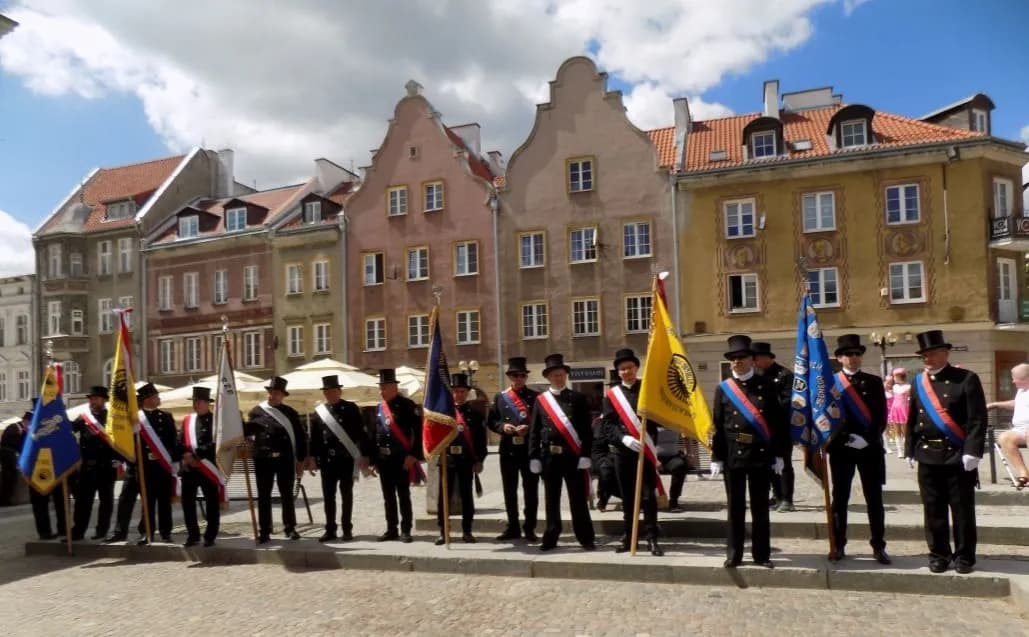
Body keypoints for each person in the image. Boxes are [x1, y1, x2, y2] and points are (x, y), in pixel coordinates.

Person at [905, 330, 987, 574]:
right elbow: (912, 418)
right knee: (933, 508)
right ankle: (939, 554)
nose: (928, 359)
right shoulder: (918, 382)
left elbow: (977, 419)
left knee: (961, 509)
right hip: (927, 453)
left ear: (945, 353)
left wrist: (973, 451)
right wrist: (910, 448)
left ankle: (964, 556)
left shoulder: (966, 378)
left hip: (957, 455)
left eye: (932, 354)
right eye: (924, 356)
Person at [710, 335, 788, 568]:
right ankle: (734, 554)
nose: (737, 362)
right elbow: (718, 425)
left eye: (742, 357)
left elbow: (778, 424)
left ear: (752, 359)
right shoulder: (723, 389)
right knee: (735, 508)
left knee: (760, 507)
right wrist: (717, 457)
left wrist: (780, 455)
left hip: (760, 454)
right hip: (734, 455)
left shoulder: (767, 386)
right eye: (733, 359)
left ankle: (761, 554)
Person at [828, 334, 890, 564]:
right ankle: (839, 543)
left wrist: (868, 438)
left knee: (874, 499)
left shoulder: (873, 381)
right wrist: (845, 437)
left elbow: (882, 416)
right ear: (839, 358)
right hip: (841, 449)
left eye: (857, 354)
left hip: (869, 448)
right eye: (848, 354)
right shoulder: (831, 383)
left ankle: (878, 546)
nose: (853, 358)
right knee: (840, 498)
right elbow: (827, 417)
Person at [528, 353, 595, 552]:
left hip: (572, 456)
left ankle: (585, 537)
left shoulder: (578, 398)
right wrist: (533, 456)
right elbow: (534, 430)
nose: (558, 378)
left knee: (577, 499)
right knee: (551, 499)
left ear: (565, 375)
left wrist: (585, 454)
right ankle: (551, 536)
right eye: (554, 375)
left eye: (561, 374)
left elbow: (586, 430)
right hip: (549, 457)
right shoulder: (541, 400)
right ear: (548, 377)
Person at [602, 348, 663, 556]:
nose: (626, 372)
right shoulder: (612, 396)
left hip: (644, 452)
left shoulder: (647, 391)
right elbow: (608, 426)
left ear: (636, 368)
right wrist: (624, 438)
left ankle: (652, 537)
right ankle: (630, 535)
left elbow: (657, 421)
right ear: (618, 372)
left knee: (648, 497)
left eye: (629, 367)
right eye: (622, 369)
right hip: (623, 452)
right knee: (628, 497)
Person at [106, 383, 179, 545]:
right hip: (141, 466)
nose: (158, 399)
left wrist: (175, 462)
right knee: (148, 502)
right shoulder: (135, 419)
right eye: (155, 397)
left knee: (164, 501)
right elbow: (126, 442)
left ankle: (166, 532)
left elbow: (173, 441)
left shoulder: (166, 416)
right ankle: (146, 532)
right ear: (147, 399)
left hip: (161, 465)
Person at [309, 374, 373, 542]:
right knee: (328, 497)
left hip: (346, 459)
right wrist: (312, 458)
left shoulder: (351, 408)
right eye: (327, 391)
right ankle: (330, 529)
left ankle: (347, 529)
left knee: (346, 495)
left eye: (333, 390)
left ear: (339, 391)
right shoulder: (319, 413)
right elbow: (314, 438)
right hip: (327, 462)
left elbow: (361, 433)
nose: (330, 394)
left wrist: (366, 455)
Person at [246, 376, 308, 544]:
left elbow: (301, 438)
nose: (273, 395)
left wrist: (301, 460)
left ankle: (290, 528)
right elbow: (248, 433)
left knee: (286, 495)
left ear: (283, 395)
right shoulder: (256, 411)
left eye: (277, 393)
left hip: (284, 460)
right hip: (263, 460)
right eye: (271, 392)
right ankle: (265, 530)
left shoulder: (290, 413)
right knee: (264, 496)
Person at [488, 357, 540, 542]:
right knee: (509, 491)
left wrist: (530, 428)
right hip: (508, 450)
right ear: (510, 377)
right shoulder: (500, 397)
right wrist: (503, 428)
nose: (518, 379)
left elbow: (542, 422)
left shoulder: (535, 397)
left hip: (528, 450)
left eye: (522, 376)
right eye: (515, 376)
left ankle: (530, 528)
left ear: (526, 377)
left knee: (531, 491)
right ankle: (513, 527)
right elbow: (492, 421)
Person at [435, 373, 488, 544]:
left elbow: (481, 440)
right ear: (451, 392)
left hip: (466, 460)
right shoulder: (443, 414)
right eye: (456, 391)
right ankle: (444, 531)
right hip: (447, 459)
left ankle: (467, 531)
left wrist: (480, 459)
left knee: (467, 496)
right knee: (444, 496)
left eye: (462, 391)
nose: (459, 394)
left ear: (467, 392)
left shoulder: (475, 413)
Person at [371, 369, 422, 542]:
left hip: (402, 459)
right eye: (380, 388)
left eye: (384, 388)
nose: (381, 391)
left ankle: (406, 530)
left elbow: (419, 432)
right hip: (384, 460)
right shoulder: (379, 408)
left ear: (393, 387)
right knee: (388, 497)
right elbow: (375, 434)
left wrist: (414, 455)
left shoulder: (408, 405)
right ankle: (391, 528)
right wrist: (374, 460)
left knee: (403, 495)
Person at [2, 406, 67, 539]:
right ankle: (45, 532)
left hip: (52, 467)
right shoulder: (16, 430)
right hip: (33, 469)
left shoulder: (49, 428)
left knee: (58, 500)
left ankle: (63, 529)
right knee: (39, 502)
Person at [752, 341, 795, 512]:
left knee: (783, 464)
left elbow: (788, 402)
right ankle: (776, 495)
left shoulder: (785, 375)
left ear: (767, 358)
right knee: (768, 464)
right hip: (763, 429)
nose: (755, 362)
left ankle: (787, 499)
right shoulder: (757, 377)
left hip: (781, 428)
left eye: (757, 359)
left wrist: (766, 410)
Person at [70, 386, 118, 541]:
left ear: (104, 400)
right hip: (88, 467)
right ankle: (78, 531)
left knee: (106, 501)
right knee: (83, 502)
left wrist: (117, 460)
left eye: (95, 398)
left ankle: (102, 530)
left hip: (106, 466)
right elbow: (70, 429)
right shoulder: (84, 418)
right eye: (90, 398)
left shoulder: (112, 417)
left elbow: (119, 440)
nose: (92, 401)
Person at [179, 386, 223, 548]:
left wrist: (196, 455)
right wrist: (185, 455)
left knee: (211, 503)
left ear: (207, 403)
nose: (196, 404)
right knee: (187, 503)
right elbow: (180, 441)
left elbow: (216, 443)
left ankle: (210, 536)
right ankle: (193, 535)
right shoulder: (187, 420)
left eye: (199, 401)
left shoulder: (216, 421)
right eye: (194, 401)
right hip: (189, 469)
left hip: (208, 467)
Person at [988, 363, 1029, 488]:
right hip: (1020, 429)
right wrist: (994, 404)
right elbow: (1017, 404)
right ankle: (1024, 474)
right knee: (1004, 438)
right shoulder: (1021, 390)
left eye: (1015, 378)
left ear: (1026, 379)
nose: (1012, 381)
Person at [590, 369, 620, 513]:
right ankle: (603, 499)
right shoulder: (599, 417)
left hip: (625, 453)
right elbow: (597, 443)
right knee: (606, 470)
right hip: (603, 453)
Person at [655, 427, 688, 513]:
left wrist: (690, 455)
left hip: (672, 457)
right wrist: (654, 460)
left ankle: (674, 500)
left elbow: (687, 436)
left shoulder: (674, 420)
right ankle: (645, 500)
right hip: (654, 457)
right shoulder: (651, 421)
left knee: (680, 466)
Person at [887, 369, 912, 458]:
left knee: (905, 431)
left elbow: (910, 399)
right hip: (895, 409)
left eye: (895, 376)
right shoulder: (895, 387)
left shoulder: (908, 386)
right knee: (896, 431)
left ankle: (906, 450)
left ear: (900, 376)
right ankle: (899, 451)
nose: (894, 379)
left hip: (904, 409)